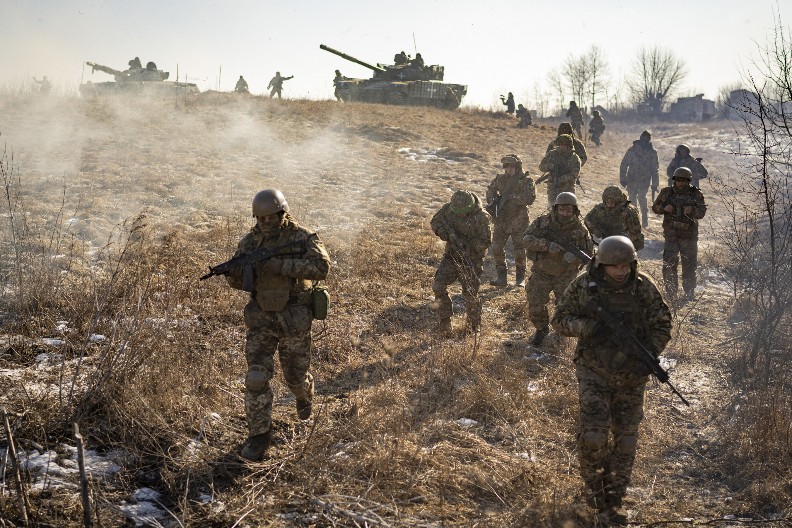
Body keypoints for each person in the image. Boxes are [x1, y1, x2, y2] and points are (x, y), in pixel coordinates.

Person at [551, 236, 672, 524]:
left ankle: (614, 498)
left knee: (626, 440)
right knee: (593, 436)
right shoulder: (584, 286)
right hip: (594, 371)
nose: (620, 271)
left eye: (625, 265)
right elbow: (559, 319)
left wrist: (647, 353)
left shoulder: (643, 287)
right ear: (602, 264)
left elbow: (663, 324)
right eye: (614, 266)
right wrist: (587, 328)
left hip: (632, 375)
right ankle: (594, 493)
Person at [224, 189, 331, 461]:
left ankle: (304, 394)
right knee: (256, 378)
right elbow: (238, 283)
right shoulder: (249, 243)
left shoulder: (301, 237)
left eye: (270, 218)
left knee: (295, 377)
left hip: (294, 318)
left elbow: (321, 268)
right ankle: (259, 436)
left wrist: (280, 267)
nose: (265, 223)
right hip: (261, 319)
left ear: (282, 213)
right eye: (260, 218)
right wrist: (236, 273)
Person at [522, 192, 593, 346]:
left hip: (566, 275)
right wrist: (546, 245)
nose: (565, 214)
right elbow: (526, 239)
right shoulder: (543, 223)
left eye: (568, 211)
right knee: (535, 301)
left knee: (566, 307)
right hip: (542, 271)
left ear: (575, 211)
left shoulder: (580, 230)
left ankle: (560, 334)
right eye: (561, 210)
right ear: (555, 209)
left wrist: (574, 259)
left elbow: (588, 253)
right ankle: (541, 330)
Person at [430, 190, 492, 335]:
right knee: (438, 286)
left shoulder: (481, 217)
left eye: (462, 213)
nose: (458, 216)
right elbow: (435, 221)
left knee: (470, 294)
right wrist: (442, 232)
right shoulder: (448, 208)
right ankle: (445, 322)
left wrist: (468, 248)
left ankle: (473, 327)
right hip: (451, 256)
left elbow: (486, 241)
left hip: (472, 260)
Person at [652, 167, 707, 301]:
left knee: (689, 266)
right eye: (678, 180)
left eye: (683, 181)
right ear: (674, 180)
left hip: (689, 238)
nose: (680, 183)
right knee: (669, 265)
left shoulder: (696, 194)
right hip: (671, 236)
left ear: (688, 181)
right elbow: (655, 207)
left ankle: (689, 291)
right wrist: (664, 208)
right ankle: (671, 292)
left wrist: (692, 210)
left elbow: (702, 212)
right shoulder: (666, 193)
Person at [487, 154, 537, 288]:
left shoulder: (526, 181)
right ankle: (501, 277)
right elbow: (490, 190)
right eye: (506, 167)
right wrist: (494, 200)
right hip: (502, 219)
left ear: (518, 167)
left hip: (519, 219)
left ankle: (520, 278)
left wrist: (512, 198)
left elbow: (530, 198)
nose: (509, 169)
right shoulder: (500, 179)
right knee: (496, 246)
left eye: (511, 167)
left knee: (519, 249)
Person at [619, 130, 659, 228]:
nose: (645, 140)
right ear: (640, 138)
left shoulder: (652, 152)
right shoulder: (632, 150)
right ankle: (634, 219)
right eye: (643, 138)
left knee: (642, 197)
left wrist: (655, 184)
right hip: (632, 179)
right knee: (632, 199)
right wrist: (623, 178)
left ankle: (644, 218)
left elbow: (655, 169)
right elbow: (624, 164)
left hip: (644, 180)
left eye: (647, 138)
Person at [584, 186, 644, 250]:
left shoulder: (629, 211)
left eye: (612, 202)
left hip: (624, 245)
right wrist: (595, 231)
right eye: (607, 202)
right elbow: (587, 219)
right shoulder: (600, 208)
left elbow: (635, 231)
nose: (609, 205)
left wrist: (618, 240)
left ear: (618, 201)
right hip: (604, 242)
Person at [539, 134, 581, 207]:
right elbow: (541, 167)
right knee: (552, 208)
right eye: (561, 145)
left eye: (564, 145)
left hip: (568, 188)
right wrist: (550, 166)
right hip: (553, 187)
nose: (562, 147)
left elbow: (574, 174)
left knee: (568, 209)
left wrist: (562, 179)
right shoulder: (552, 154)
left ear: (569, 146)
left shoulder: (574, 158)